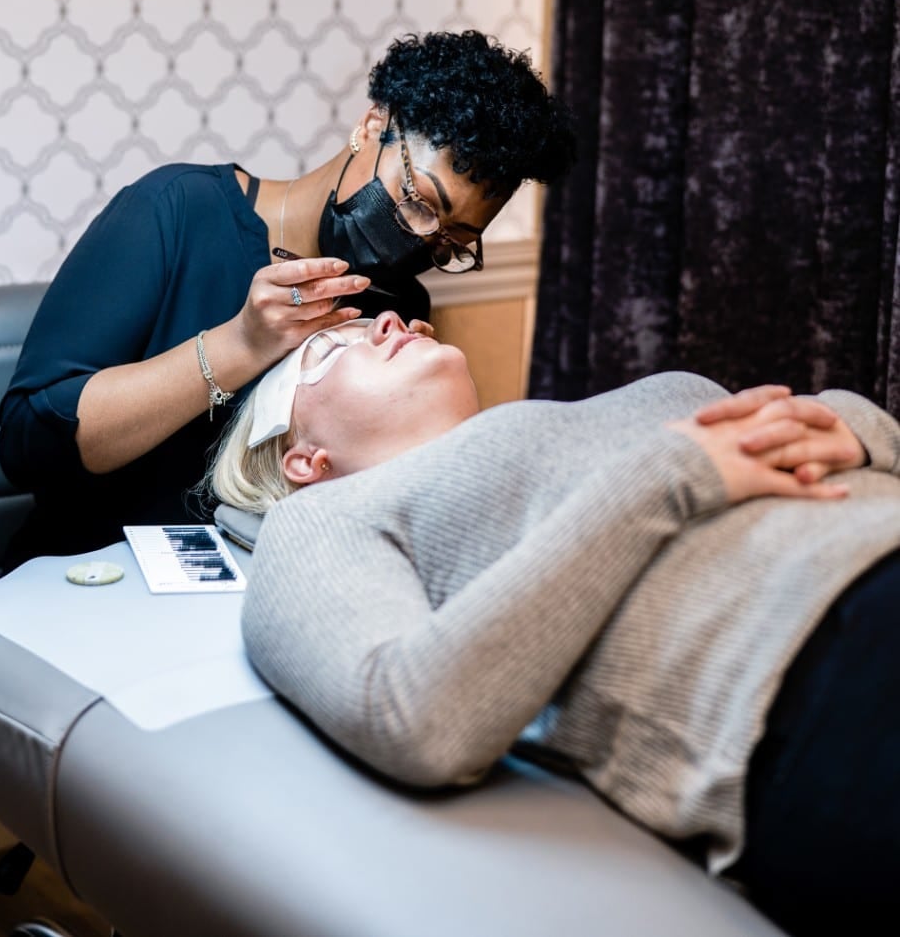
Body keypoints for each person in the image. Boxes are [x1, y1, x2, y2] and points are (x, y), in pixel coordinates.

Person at [213, 312, 900, 937]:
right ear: (305, 458)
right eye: (332, 348)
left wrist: (850, 422)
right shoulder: (324, 517)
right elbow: (411, 722)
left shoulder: (594, 410)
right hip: (817, 664)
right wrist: (662, 476)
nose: (394, 318)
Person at [0, 30, 576, 564]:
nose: (423, 242)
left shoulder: (393, 308)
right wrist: (238, 345)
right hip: (87, 576)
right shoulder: (177, 212)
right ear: (373, 126)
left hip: (257, 594)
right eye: (420, 203)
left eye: (453, 241)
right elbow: (30, 447)